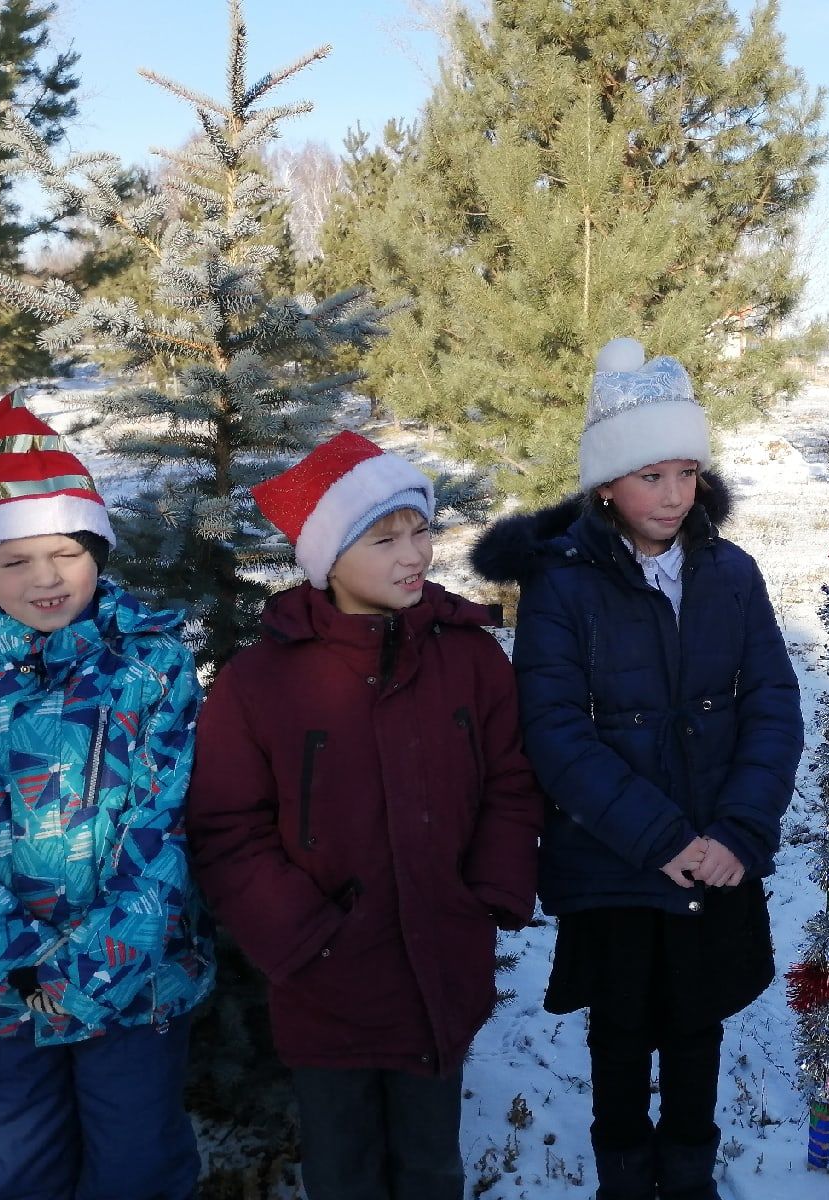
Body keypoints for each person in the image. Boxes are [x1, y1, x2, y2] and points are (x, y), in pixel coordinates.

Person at [470, 339, 803, 1200]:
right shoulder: (563, 583)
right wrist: (658, 837)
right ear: (607, 484)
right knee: (620, 1029)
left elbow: (771, 703)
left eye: (685, 474)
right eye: (649, 476)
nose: (672, 495)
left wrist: (737, 833)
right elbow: (551, 728)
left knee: (696, 1024)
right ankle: (621, 1173)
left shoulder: (731, 574)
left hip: (717, 851)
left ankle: (688, 1170)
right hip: (613, 859)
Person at [186, 430, 542, 1200]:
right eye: (385, 539)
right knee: (343, 1166)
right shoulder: (259, 682)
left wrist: (484, 896)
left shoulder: (470, 657)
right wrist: (305, 937)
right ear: (327, 560)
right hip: (326, 980)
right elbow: (226, 827)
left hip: (440, 960)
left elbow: (512, 782)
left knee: (428, 1163)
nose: (414, 553)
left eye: (421, 530)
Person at [0, 393, 214, 1200]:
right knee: (14, 1168)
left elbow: (169, 816)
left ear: (97, 550)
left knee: (138, 1163)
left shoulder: (152, 664)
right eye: (15, 561)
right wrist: (14, 962)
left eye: (65, 553)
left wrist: (98, 960)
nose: (45, 579)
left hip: (133, 982)